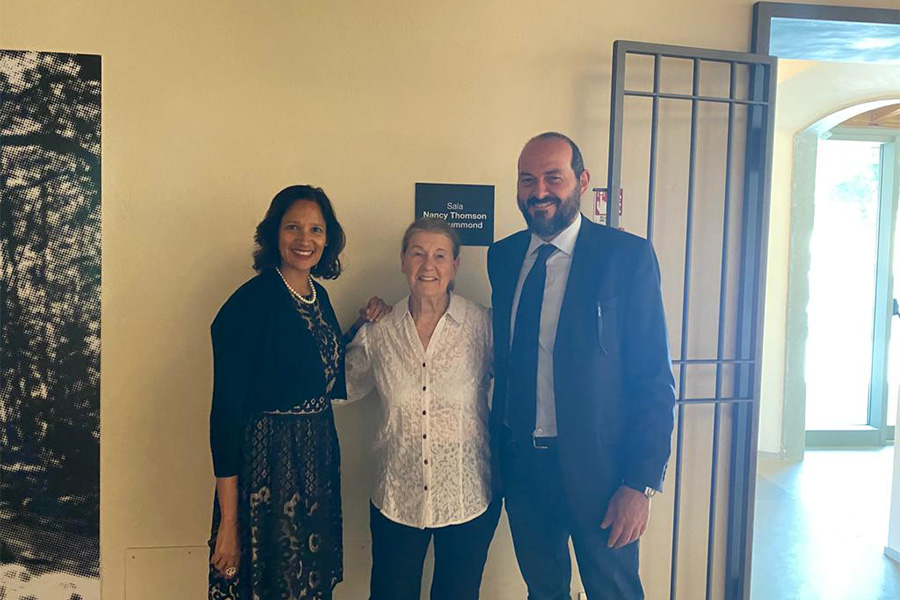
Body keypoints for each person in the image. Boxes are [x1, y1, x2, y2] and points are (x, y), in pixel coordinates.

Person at [487, 132, 676, 600]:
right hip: (523, 468)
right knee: (543, 591)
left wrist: (640, 483)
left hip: (603, 474)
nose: (539, 191)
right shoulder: (504, 256)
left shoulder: (626, 257)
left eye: (554, 177)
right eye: (527, 179)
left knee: (613, 592)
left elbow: (652, 378)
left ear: (582, 180)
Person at [341, 218, 501, 600]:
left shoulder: (481, 325)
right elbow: (340, 389)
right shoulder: (380, 331)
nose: (428, 265)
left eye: (440, 255)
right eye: (418, 253)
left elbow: (525, 384)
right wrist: (356, 325)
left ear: (455, 266)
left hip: (467, 497)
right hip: (396, 499)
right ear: (402, 261)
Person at [207, 185, 348, 600]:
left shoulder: (318, 297)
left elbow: (316, 374)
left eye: (316, 230)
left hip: (315, 466)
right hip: (267, 474)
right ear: (274, 234)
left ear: (328, 239)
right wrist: (229, 524)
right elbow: (224, 417)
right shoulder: (249, 305)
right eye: (293, 227)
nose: (305, 240)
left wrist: (363, 325)